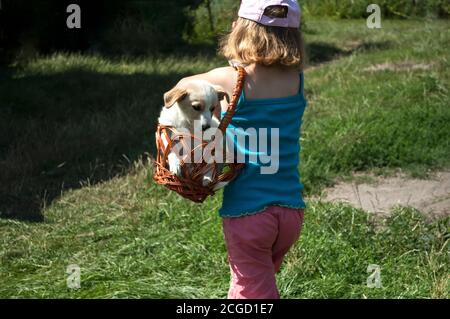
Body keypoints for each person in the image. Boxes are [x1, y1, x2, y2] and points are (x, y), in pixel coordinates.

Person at [177, 0, 307, 299]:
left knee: (251, 292)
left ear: (241, 29)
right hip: (290, 211)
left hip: (249, 213)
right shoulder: (295, 80)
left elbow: (183, 84)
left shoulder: (231, 78)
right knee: (257, 282)